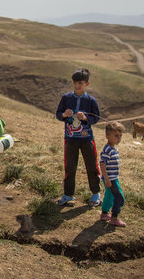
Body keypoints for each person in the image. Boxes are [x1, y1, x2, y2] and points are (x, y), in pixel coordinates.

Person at [55, 68, 102, 207]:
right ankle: (68, 194)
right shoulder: (66, 98)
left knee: (92, 166)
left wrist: (86, 118)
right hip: (70, 139)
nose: (77, 86)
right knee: (69, 167)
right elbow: (58, 114)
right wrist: (64, 115)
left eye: (80, 83)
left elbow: (96, 118)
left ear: (87, 83)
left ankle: (95, 194)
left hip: (87, 139)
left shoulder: (91, 100)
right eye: (75, 82)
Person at [99, 121, 127, 227]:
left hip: (112, 177)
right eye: (116, 135)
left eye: (120, 136)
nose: (119, 138)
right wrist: (106, 179)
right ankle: (114, 218)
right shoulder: (108, 150)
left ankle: (104, 214)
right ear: (107, 136)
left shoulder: (113, 148)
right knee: (119, 198)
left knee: (109, 196)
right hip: (110, 179)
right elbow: (102, 164)